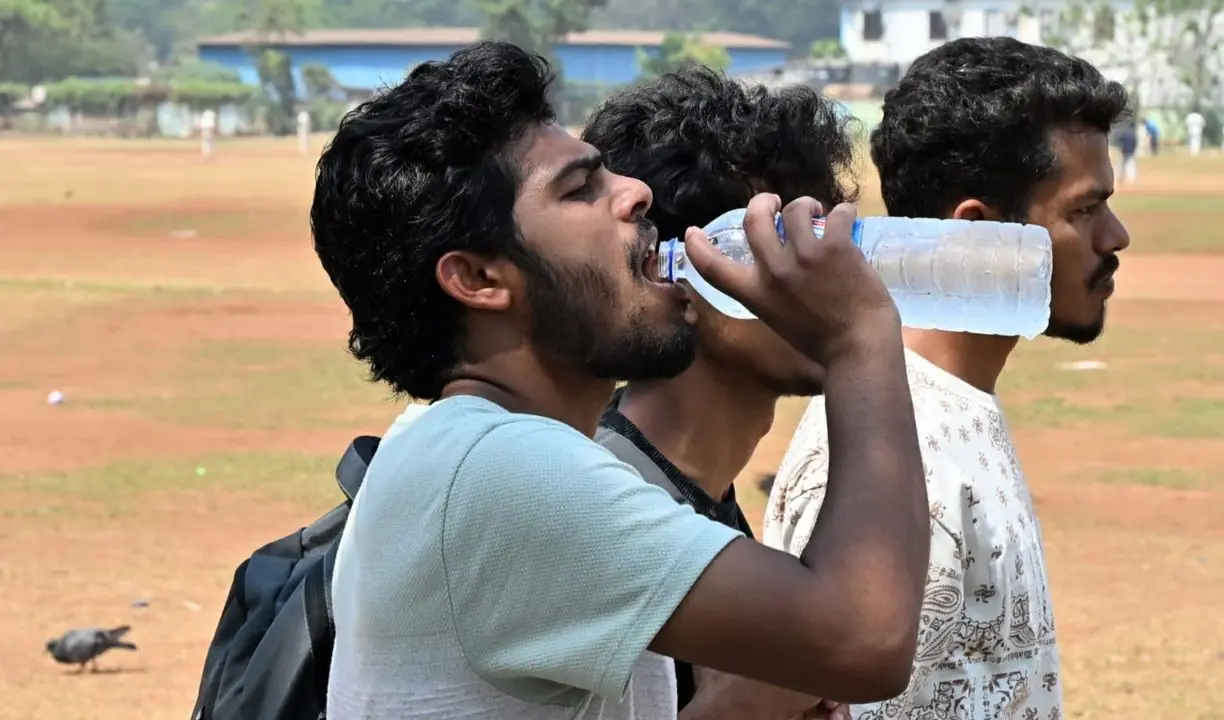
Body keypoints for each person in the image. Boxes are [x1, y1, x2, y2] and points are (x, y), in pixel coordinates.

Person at [312, 41, 930, 719]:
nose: (637, 194)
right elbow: (866, 638)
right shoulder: (501, 469)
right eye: (580, 189)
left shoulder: (461, 451)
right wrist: (859, 338)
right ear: (480, 278)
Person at [764, 36, 1132, 719]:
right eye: (1084, 210)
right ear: (979, 233)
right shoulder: (895, 455)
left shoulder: (946, 409)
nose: (1115, 237)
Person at [584, 66, 908, 720]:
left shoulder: (700, 501)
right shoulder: (602, 508)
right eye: (785, 245)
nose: (836, 276)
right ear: (682, 276)